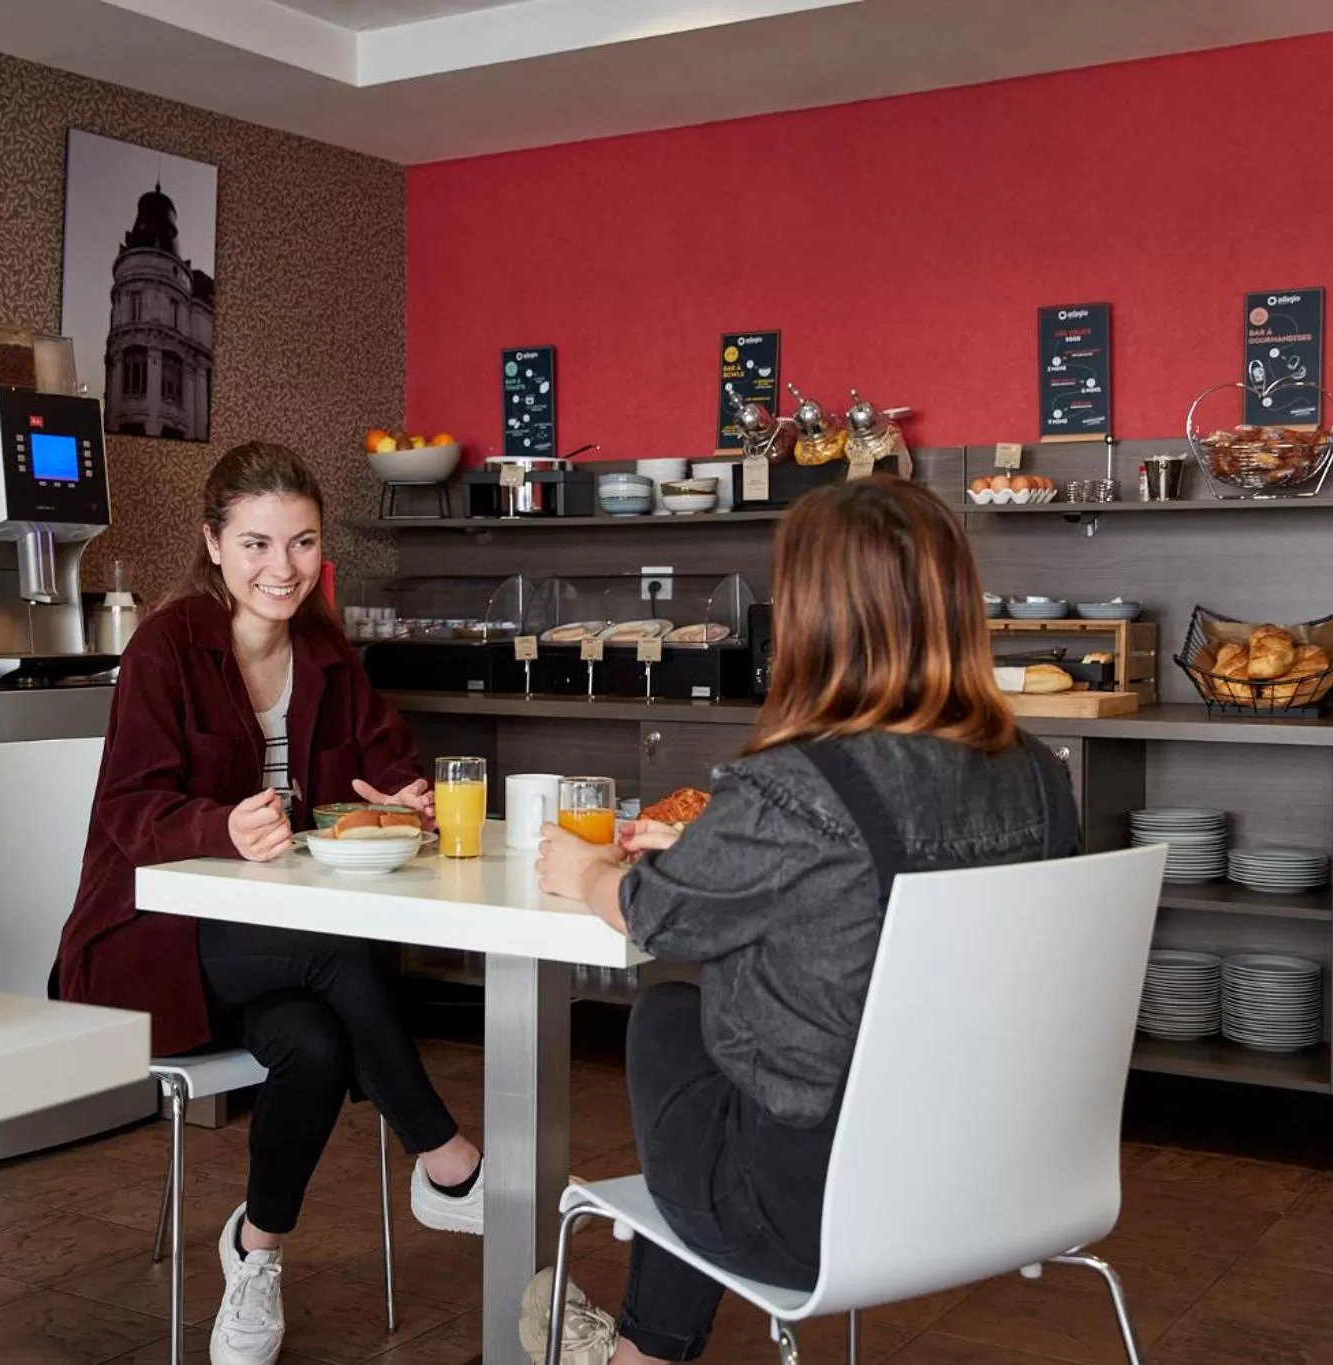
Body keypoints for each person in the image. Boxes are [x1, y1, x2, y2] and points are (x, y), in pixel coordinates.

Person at [525, 478, 1078, 1365]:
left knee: (671, 1017)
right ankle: (637, 1353)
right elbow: (862, 894)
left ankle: (639, 1356)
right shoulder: (1042, 778)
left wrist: (588, 868)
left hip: (816, 1211)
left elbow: (654, 917)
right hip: (996, 1188)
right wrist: (718, 846)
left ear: (813, 616)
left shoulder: (800, 783)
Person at [54, 442, 484, 1365]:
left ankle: (255, 1252)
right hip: (144, 946)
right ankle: (447, 1160)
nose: (280, 569)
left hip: (266, 949)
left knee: (319, 1044)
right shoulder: (165, 647)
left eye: (300, 544)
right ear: (213, 543)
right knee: (335, 952)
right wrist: (218, 825)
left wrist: (399, 797)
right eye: (255, 543)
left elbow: (386, 755)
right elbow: (129, 811)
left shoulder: (324, 646)